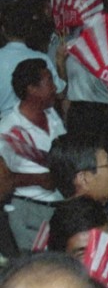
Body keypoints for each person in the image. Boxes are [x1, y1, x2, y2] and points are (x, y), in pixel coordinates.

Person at [0, 56, 67, 251]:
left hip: (59, 208)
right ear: (32, 89)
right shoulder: (8, 129)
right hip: (31, 212)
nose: (55, 88)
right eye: (50, 82)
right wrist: (38, 179)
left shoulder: (52, 114)